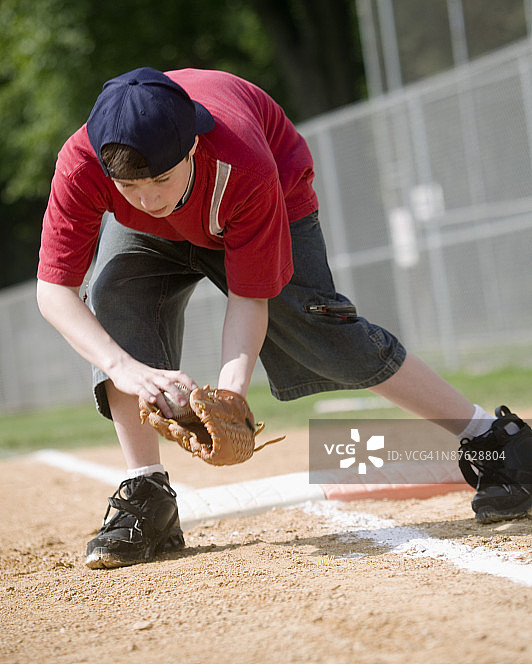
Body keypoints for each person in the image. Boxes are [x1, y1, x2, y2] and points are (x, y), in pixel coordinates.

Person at [36, 67, 532, 569]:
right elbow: (54, 290)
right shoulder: (82, 164)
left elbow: (250, 296)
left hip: (267, 197)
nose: (148, 199)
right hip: (148, 239)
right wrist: (125, 368)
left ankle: (495, 440)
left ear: (191, 148)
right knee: (114, 293)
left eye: (161, 178)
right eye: (128, 185)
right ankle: (146, 491)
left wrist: (231, 392)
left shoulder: (241, 160)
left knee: (316, 327)